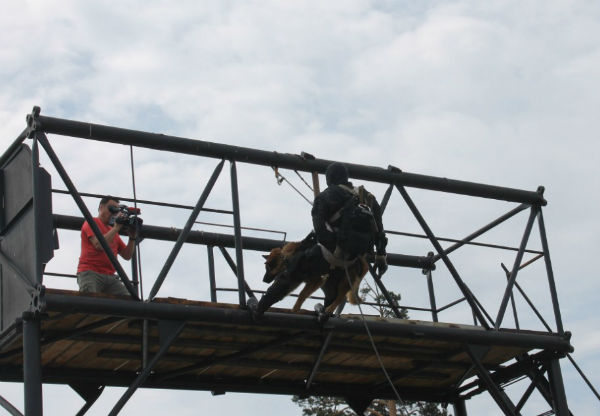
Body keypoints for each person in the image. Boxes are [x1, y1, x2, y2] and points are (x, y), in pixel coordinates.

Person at [249, 162, 388, 317]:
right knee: (333, 285)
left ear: (329, 179)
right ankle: (326, 314)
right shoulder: (368, 198)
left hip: (329, 254)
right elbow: (379, 232)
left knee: (292, 271)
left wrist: (333, 248)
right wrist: (381, 257)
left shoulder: (327, 196)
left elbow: (320, 230)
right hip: (353, 260)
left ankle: (260, 308)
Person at [76, 196, 137, 295]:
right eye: (111, 208)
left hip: (110, 275)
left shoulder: (113, 231)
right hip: (90, 272)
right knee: (90, 300)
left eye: (116, 210)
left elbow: (127, 255)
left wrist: (132, 238)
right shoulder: (91, 222)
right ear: (101, 207)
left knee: (127, 300)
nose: (114, 213)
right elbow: (99, 245)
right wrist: (116, 228)